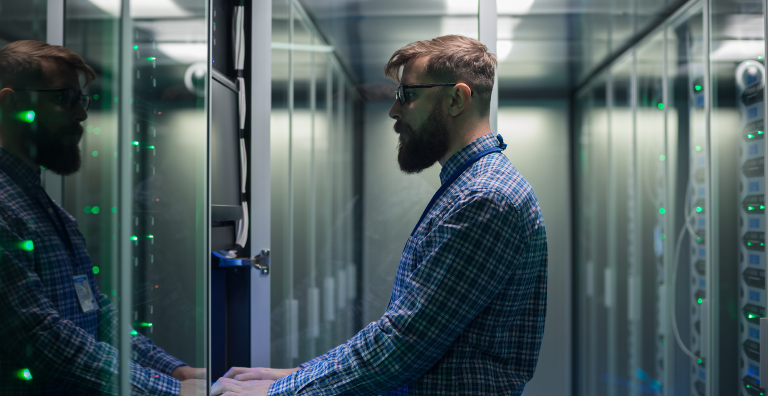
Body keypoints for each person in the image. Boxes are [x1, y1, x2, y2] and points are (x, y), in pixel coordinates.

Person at [212, 35, 548, 396]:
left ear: (456, 98)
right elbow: (397, 333)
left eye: (407, 94)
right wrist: (296, 375)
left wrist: (283, 391)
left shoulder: (485, 198)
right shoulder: (469, 187)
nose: (394, 110)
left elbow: (403, 343)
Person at [0, 40, 206, 396]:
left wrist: (178, 371)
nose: (81, 113)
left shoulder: (47, 210)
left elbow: (97, 313)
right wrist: (171, 390)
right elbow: (43, 340)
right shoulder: (5, 209)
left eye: (81, 99)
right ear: (11, 102)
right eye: (64, 98)